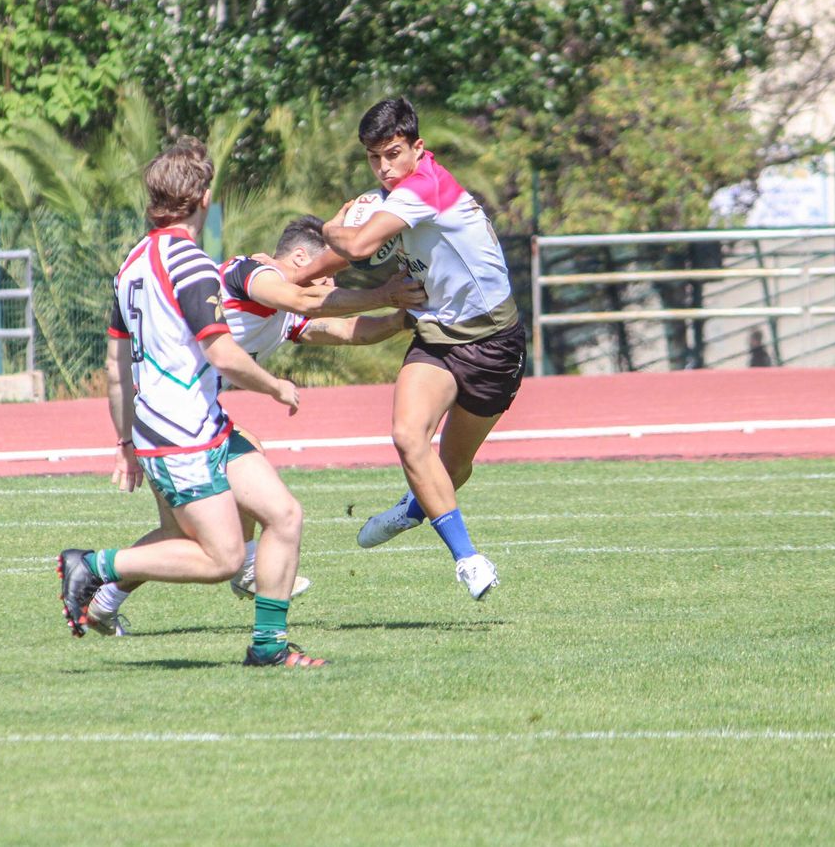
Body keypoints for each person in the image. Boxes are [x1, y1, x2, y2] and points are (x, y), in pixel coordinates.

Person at [83, 213, 422, 635]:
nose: (336, 282)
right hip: (172, 417)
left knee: (195, 527)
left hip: (189, 417)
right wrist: (387, 293)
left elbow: (347, 330)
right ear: (300, 257)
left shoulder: (281, 307)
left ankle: (103, 601)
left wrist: (404, 318)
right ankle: (233, 575)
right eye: (334, 269)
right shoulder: (254, 274)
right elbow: (307, 302)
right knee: (240, 508)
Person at [56, 138, 324, 668]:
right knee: (223, 558)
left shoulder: (131, 263)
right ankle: (93, 565)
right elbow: (222, 352)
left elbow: (116, 366)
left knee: (284, 514)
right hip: (182, 433)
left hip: (194, 426)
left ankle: (268, 647)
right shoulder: (191, 264)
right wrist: (275, 387)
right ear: (203, 198)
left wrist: (124, 442)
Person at [318, 97, 525, 600]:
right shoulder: (399, 196)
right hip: (435, 336)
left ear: (417, 148)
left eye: (392, 154)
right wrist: (287, 278)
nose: (384, 168)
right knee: (409, 436)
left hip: (494, 343)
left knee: (453, 469)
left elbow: (359, 247)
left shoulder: (422, 189)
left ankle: (412, 510)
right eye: (374, 159)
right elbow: (341, 258)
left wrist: (328, 228)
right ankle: (470, 561)